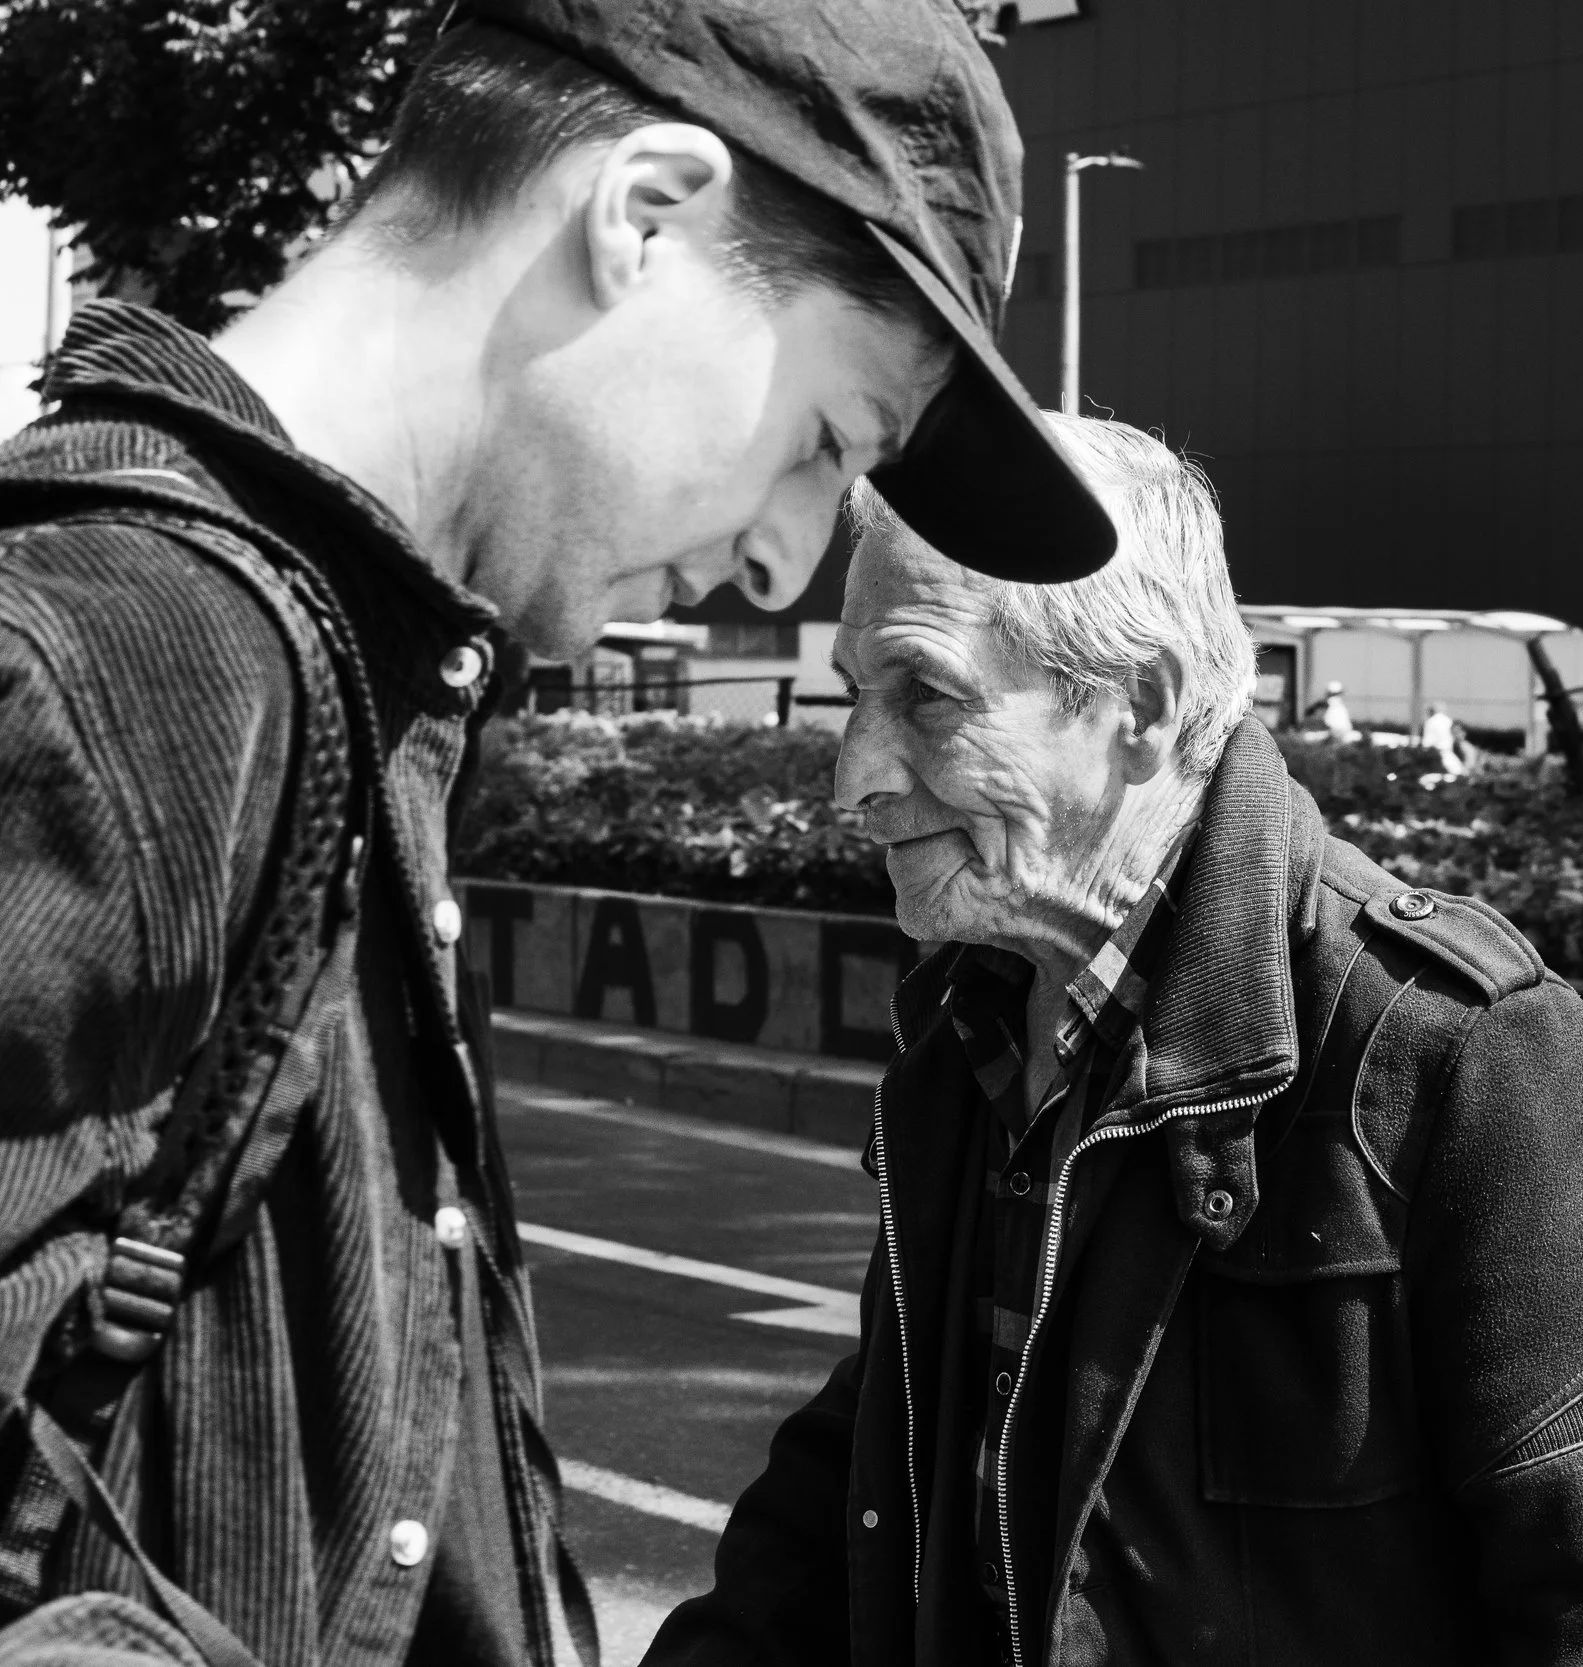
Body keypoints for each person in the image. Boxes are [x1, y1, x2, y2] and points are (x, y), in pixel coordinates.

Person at [0, 4, 1108, 1665]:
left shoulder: (343, 683)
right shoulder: (121, 663)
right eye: (824, 439)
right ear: (643, 217)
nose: (784, 559)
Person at [648, 414, 1583, 1667]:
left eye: (926, 696)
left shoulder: (1462, 1054)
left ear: (1143, 704)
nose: (853, 775)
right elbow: (877, 1455)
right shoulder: (972, 1023)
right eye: (856, 694)